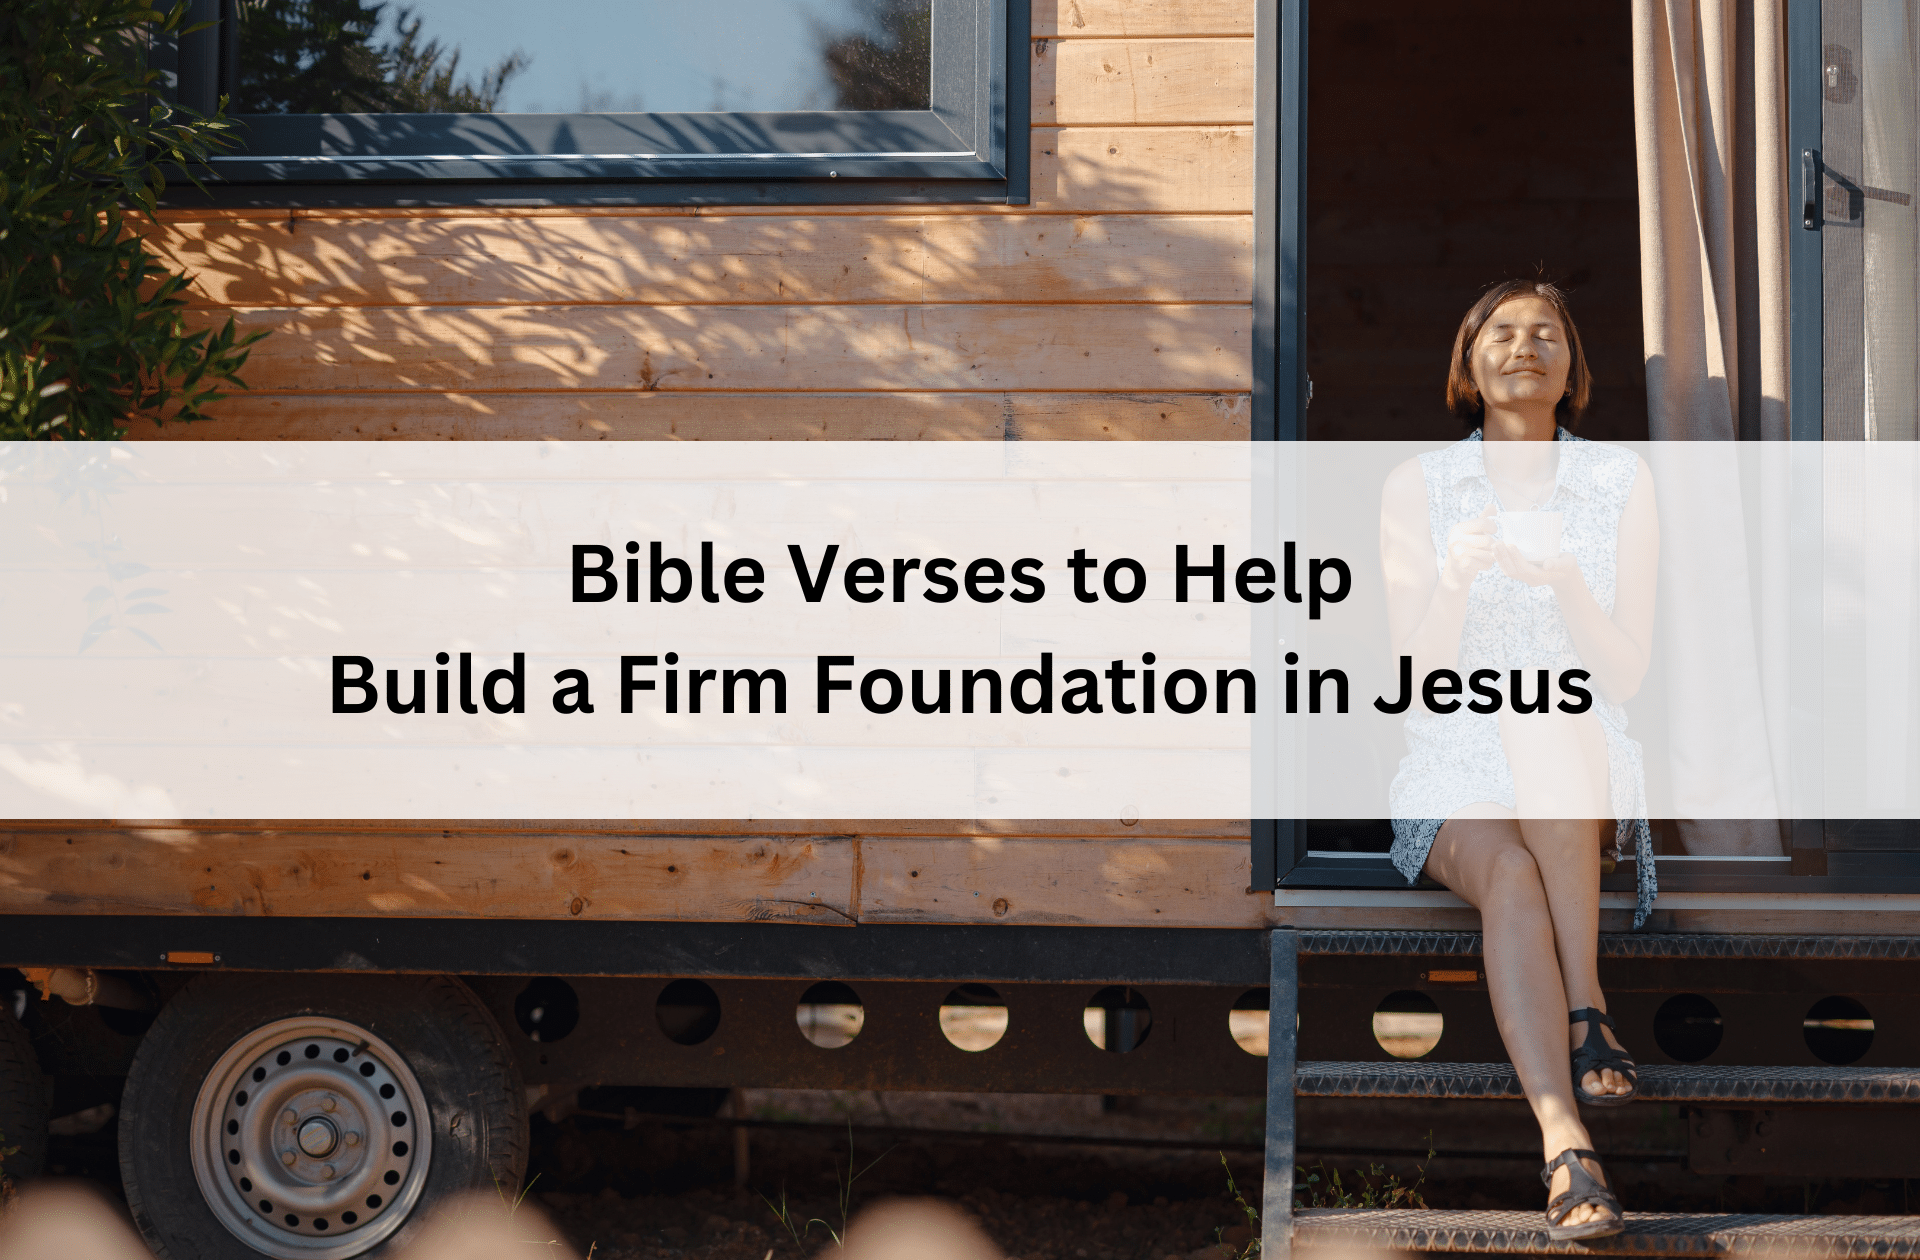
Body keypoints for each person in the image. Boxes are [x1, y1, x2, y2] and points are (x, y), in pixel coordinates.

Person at [1377, 279, 1659, 1241]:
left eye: (1548, 333)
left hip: (1578, 747)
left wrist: (1571, 586)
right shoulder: (1416, 486)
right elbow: (1413, 677)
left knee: (1548, 705)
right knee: (1506, 872)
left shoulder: (1620, 482)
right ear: (1469, 364)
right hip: (1452, 755)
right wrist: (1452, 582)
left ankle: (1586, 1007)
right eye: (1501, 331)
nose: (1525, 345)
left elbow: (1621, 675)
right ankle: (1564, 1135)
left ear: (1573, 367)